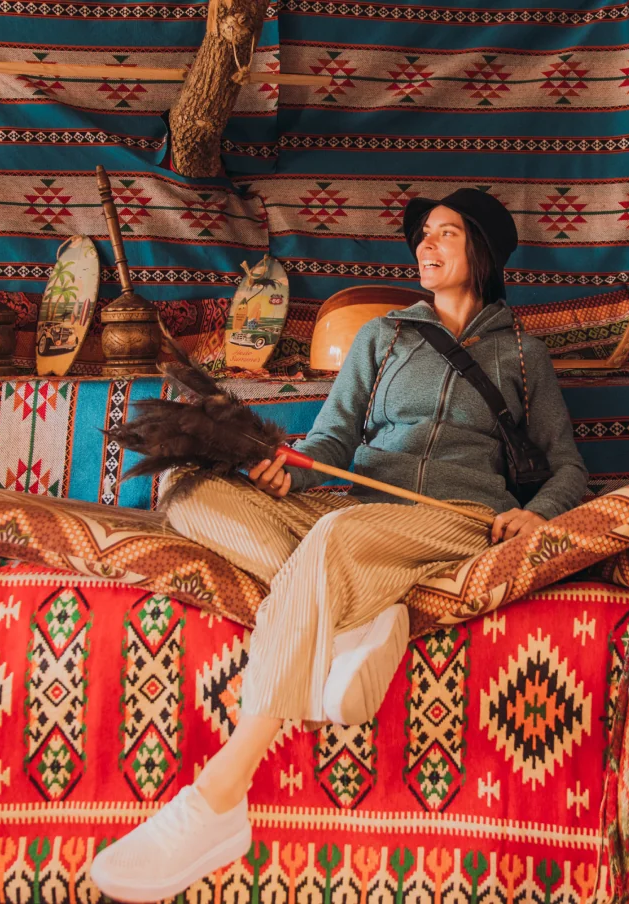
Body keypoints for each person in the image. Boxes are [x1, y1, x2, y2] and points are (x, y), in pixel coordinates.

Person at [90, 189, 588, 902]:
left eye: (445, 234)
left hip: (454, 519)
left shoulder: (522, 354)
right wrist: (286, 468)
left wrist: (538, 514)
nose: (426, 246)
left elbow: (567, 464)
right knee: (190, 494)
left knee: (338, 535)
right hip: (353, 510)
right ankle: (366, 612)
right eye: (422, 235)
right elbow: (332, 440)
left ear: (483, 250)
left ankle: (219, 796)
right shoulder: (381, 338)